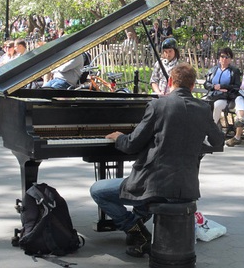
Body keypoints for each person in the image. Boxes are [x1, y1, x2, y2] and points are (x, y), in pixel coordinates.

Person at [89, 63, 224, 257]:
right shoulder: (203, 108)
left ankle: (137, 233)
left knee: (98, 191)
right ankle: (139, 231)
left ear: (170, 82)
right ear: (193, 86)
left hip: (155, 185)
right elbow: (218, 141)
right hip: (187, 187)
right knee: (145, 192)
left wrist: (118, 136)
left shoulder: (158, 105)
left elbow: (131, 145)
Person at [203, 47, 242, 126]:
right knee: (200, 104)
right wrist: (214, 87)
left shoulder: (234, 71)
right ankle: (201, 128)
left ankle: (211, 130)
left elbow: (237, 86)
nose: (224, 59)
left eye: (227, 57)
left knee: (217, 105)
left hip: (226, 98)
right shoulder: (213, 70)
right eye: (222, 56)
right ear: (219, 58)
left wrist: (223, 86)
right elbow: (206, 84)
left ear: (231, 59)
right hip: (212, 95)